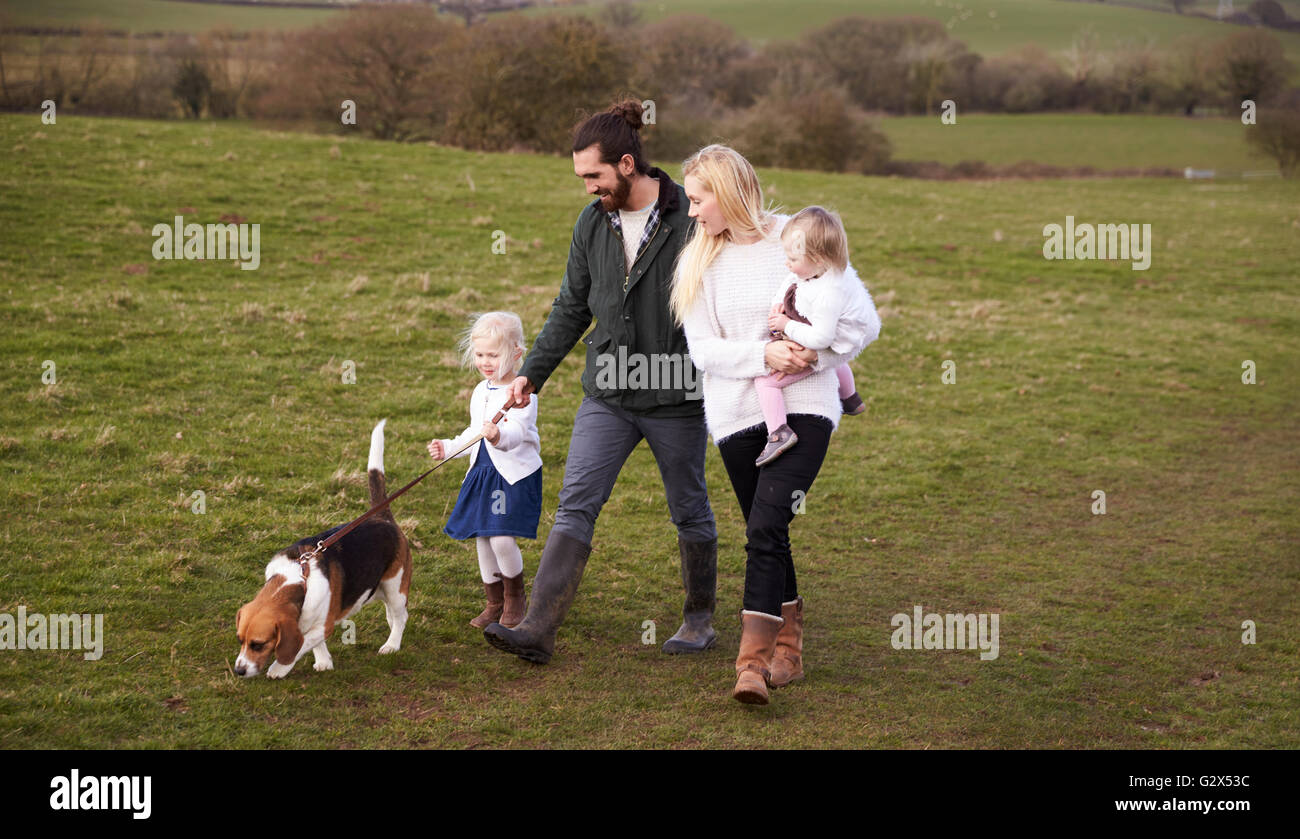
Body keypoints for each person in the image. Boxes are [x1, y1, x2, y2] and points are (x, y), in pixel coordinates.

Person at [483, 100, 718, 665]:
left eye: (594, 175)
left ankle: (700, 618)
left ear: (628, 164)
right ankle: (537, 629)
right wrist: (531, 374)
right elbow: (571, 307)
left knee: (687, 507)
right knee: (576, 504)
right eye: (582, 176)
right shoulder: (592, 223)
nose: (587, 187)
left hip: (676, 395)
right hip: (608, 393)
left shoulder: (692, 215)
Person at [671, 145, 880, 705]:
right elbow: (704, 351)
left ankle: (752, 665)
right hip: (736, 419)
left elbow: (862, 322)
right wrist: (765, 357)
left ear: (729, 191)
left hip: (805, 408)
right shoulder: (698, 263)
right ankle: (788, 647)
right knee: (770, 530)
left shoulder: (797, 236)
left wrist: (817, 356)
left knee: (764, 528)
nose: (691, 213)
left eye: (697, 199)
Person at [428, 312, 541, 631]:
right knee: (482, 538)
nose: (485, 361)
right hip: (482, 472)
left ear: (516, 353)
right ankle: (494, 602)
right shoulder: (481, 391)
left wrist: (500, 436)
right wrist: (448, 448)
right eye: (480, 355)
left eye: (494, 354)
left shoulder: (523, 393)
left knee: (502, 538)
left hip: (511, 475)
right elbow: (474, 430)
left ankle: (515, 599)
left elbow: (519, 431)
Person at [754, 206, 872, 466]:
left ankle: (779, 433)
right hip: (839, 337)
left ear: (818, 258)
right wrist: (778, 304)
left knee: (765, 383)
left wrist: (786, 325)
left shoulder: (830, 291)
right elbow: (789, 282)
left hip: (829, 339)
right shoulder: (817, 271)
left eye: (793, 259)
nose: (788, 264)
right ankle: (850, 398)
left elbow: (820, 341)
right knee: (839, 361)